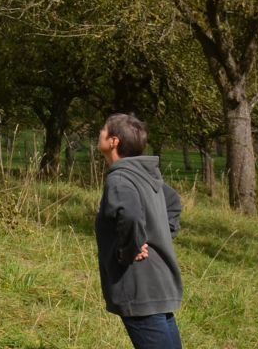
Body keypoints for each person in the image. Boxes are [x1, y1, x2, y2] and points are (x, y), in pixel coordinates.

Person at [96, 113, 185, 349]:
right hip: (158, 283)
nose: (99, 134)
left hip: (140, 287)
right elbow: (173, 202)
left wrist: (129, 249)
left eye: (103, 131)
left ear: (114, 141)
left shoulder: (120, 179)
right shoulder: (144, 175)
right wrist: (159, 235)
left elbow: (131, 215)